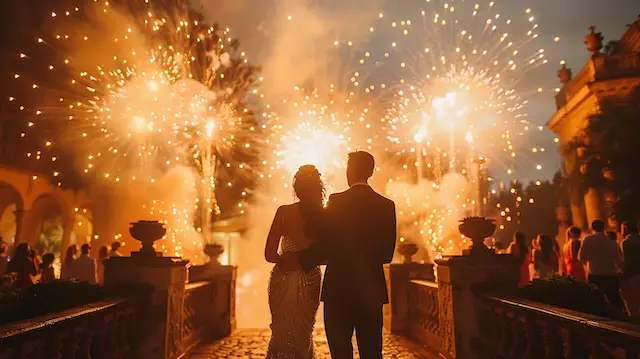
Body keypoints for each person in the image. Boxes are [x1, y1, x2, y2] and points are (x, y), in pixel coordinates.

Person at [297, 151, 397, 359]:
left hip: (338, 289)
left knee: (340, 351)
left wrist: (301, 259)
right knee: (371, 352)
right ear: (370, 171)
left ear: (349, 171)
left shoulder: (337, 201)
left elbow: (325, 242)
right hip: (371, 291)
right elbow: (387, 255)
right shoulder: (386, 205)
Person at [264, 165, 324, 358]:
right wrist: (305, 260)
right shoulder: (323, 215)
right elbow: (327, 255)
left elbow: (269, 254)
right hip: (311, 279)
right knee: (304, 332)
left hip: (282, 277)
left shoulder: (283, 212)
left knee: (281, 331)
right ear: (318, 188)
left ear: (296, 188)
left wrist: (287, 259)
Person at [579, 220, 624, 309]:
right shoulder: (611, 242)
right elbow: (618, 259)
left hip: (594, 274)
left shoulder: (587, 240)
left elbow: (581, 257)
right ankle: (622, 317)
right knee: (614, 298)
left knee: (595, 299)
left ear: (592, 228)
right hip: (610, 274)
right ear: (604, 228)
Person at [620, 221, 640, 319]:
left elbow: (627, 261)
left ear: (626, 229)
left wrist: (623, 275)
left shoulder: (626, 242)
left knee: (632, 301)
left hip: (632, 274)